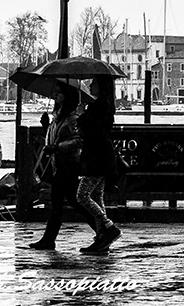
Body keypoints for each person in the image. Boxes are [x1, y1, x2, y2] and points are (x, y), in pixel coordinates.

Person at [28, 83, 97, 250]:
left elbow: (79, 141)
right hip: (58, 165)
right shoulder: (57, 117)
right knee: (68, 201)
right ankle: (100, 228)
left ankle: (102, 228)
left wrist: (57, 148)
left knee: (63, 201)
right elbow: (53, 138)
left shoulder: (72, 118)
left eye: (59, 93)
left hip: (69, 164)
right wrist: (46, 126)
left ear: (66, 96)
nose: (56, 95)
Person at [75, 75, 122, 254]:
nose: (90, 85)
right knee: (97, 195)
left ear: (100, 86)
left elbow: (91, 130)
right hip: (102, 155)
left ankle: (108, 227)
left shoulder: (99, 107)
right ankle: (102, 238)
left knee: (83, 195)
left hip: (97, 156)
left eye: (93, 83)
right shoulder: (105, 106)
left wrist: (80, 114)